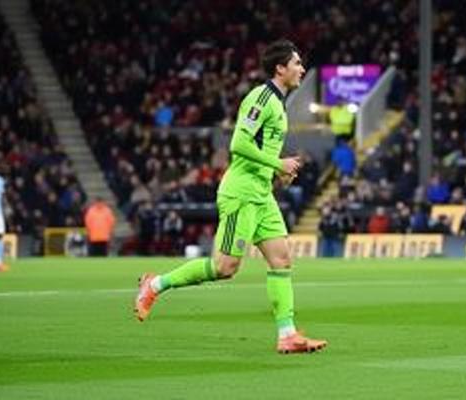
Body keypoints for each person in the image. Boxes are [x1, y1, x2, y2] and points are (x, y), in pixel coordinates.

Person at [134, 40, 327, 354]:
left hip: (262, 194)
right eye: (297, 63)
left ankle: (287, 335)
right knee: (224, 268)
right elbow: (238, 143)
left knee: (281, 258)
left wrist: (276, 171)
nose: (302, 69)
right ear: (280, 68)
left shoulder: (279, 104)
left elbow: (258, 150)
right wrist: (277, 162)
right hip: (241, 194)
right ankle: (154, 285)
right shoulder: (261, 97)